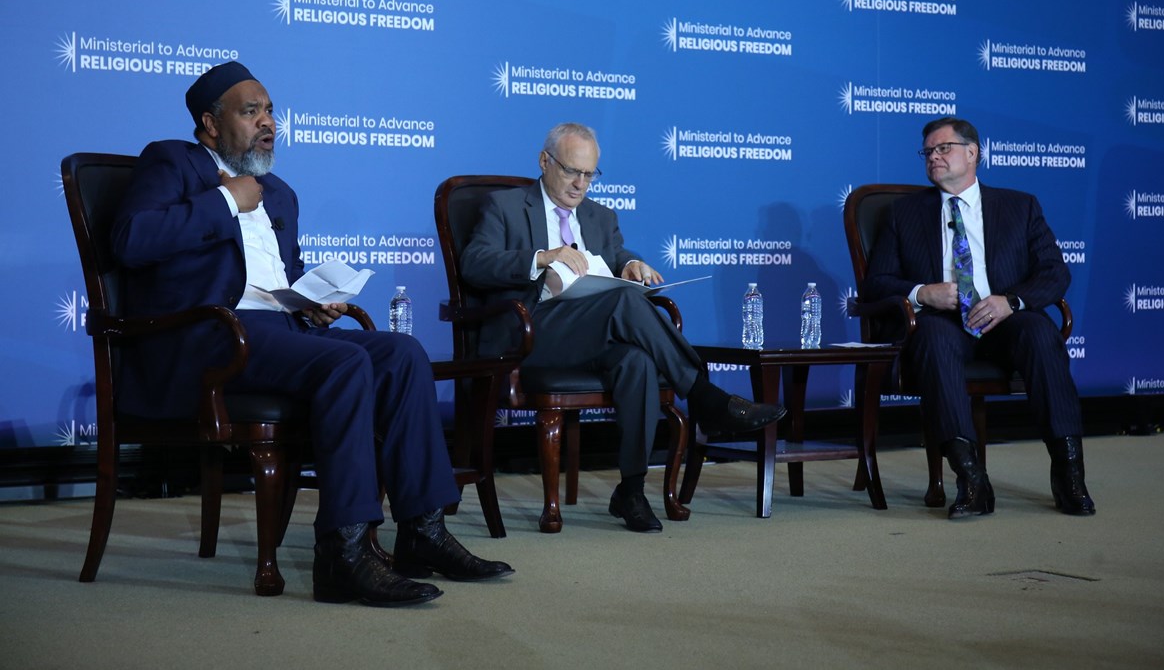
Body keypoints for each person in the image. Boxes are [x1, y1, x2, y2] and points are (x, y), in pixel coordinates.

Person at [111, 61, 513, 606]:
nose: (267, 122)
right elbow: (131, 240)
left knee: (400, 353)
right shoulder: (172, 162)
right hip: (204, 339)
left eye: (271, 110)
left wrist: (311, 303)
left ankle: (423, 531)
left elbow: (276, 277)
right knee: (345, 364)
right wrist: (227, 200)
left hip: (276, 330)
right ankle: (342, 555)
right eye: (251, 111)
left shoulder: (279, 194)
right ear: (209, 123)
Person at [459, 122, 787, 533]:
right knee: (623, 300)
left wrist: (630, 263)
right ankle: (703, 394)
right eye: (571, 171)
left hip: (589, 330)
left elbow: (615, 254)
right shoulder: (504, 206)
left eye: (590, 174)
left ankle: (631, 489)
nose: (581, 184)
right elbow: (475, 263)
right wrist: (542, 256)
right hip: (529, 333)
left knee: (636, 361)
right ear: (544, 162)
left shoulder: (600, 215)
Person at [861, 116, 1095, 519]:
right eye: (928, 152)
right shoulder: (904, 214)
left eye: (943, 148)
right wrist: (922, 292)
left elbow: (1056, 272)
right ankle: (971, 479)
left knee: (1041, 332)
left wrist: (1012, 302)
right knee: (933, 340)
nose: (933, 157)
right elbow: (875, 284)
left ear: (973, 153)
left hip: (1003, 318)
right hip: (941, 321)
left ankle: (1069, 473)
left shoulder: (1020, 206)